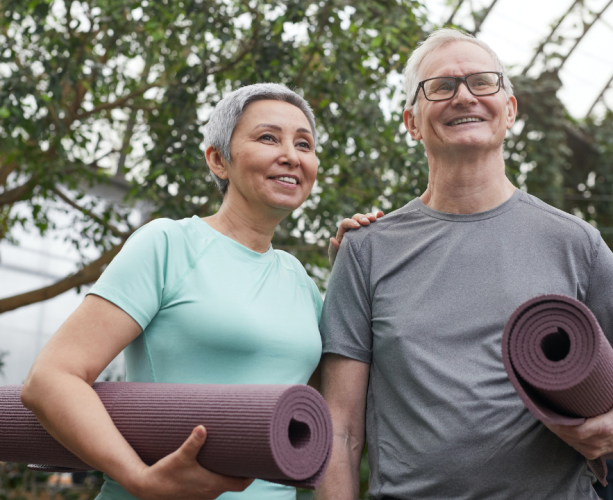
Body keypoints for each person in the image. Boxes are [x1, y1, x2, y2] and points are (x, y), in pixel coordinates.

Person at [317, 29, 613, 500]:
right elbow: (341, 429)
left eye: (483, 82)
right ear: (412, 121)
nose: (464, 96)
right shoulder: (366, 249)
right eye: (441, 86)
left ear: (509, 110)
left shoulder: (575, 242)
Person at [20, 83, 375, 500]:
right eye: (267, 138)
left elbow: (328, 411)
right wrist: (139, 477)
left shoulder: (300, 280)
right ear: (218, 160)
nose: (291, 156)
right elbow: (49, 379)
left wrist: (354, 273)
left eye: (304, 144)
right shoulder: (168, 244)